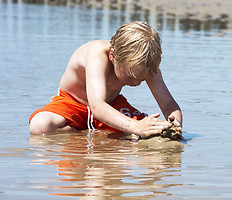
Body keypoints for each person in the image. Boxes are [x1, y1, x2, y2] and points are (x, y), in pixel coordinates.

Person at [29, 21, 182, 138]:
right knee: (40, 126)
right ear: (112, 56)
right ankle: (83, 135)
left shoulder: (146, 63)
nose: (136, 83)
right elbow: (97, 106)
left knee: (155, 132)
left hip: (111, 106)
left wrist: (175, 124)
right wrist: (136, 126)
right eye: (132, 77)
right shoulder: (96, 55)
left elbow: (168, 103)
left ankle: (104, 132)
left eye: (142, 79)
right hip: (74, 104)